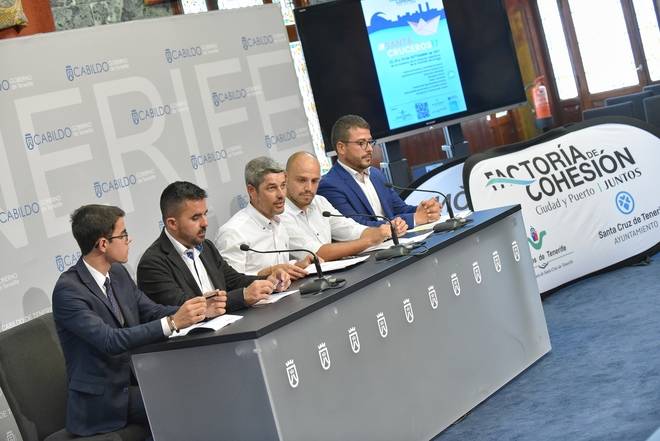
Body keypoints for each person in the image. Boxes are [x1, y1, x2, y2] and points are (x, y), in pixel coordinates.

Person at [52, 204, 226, 438]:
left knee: (202, 381)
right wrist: (173, 323)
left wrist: (199, 311)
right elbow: (110, 341)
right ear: (103, 244)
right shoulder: (69, 291)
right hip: (103, 400)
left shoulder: (118, 273)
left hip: (138, 380)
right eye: (123, 235)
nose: (129, 239)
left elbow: (151, 311)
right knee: (180, 399)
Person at [137, 181, 291, 309]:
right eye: (195, 218)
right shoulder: (153, 263)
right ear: (172, 223)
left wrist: (269, 280)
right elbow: (185, 307)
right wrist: (242, 296)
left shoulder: (206, 246)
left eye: (205, 214)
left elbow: (233, 280)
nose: (205, 223)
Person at [317, 114, 441, 229]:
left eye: (370, 142)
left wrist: (425, 211)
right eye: (361, 143)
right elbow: (356, 227)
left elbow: (400, 209)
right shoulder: (329, 185)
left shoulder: (376, 174)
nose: (370, 149)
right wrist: (414, 218)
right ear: (341, 148)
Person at [282, 151, 390, 261]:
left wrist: (383, 231)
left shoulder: (320, 202)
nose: (309, 188)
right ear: (285, 178)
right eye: (302, 180)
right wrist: (369, 240)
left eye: (314, 181)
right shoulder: (280, 213)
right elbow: (317, 254)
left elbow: (351, 230)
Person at [215, 156, 313, 275]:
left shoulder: (278, 222)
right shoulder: (233, 233)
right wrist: (269, 273)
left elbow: (279, 268)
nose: (281, 195)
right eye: (272, 188)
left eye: (283, 186)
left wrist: (297, 266)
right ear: (252, 191)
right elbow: (231, 282)